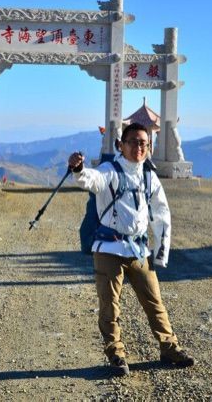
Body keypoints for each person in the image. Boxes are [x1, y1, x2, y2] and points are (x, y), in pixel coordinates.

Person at [68, 123, 194, 375]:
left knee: (154, 301)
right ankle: (116, 354)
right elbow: (90, 179)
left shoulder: (149, 176)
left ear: (149, 147)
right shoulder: (108, 171)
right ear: (121, 145)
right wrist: (79, 169)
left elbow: (161, 214)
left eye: (143, 143)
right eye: (133, 142)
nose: (139, 147)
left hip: (139, 250)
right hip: (108, 248)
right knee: (109, 304)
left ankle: (169, 348)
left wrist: (160, 253)